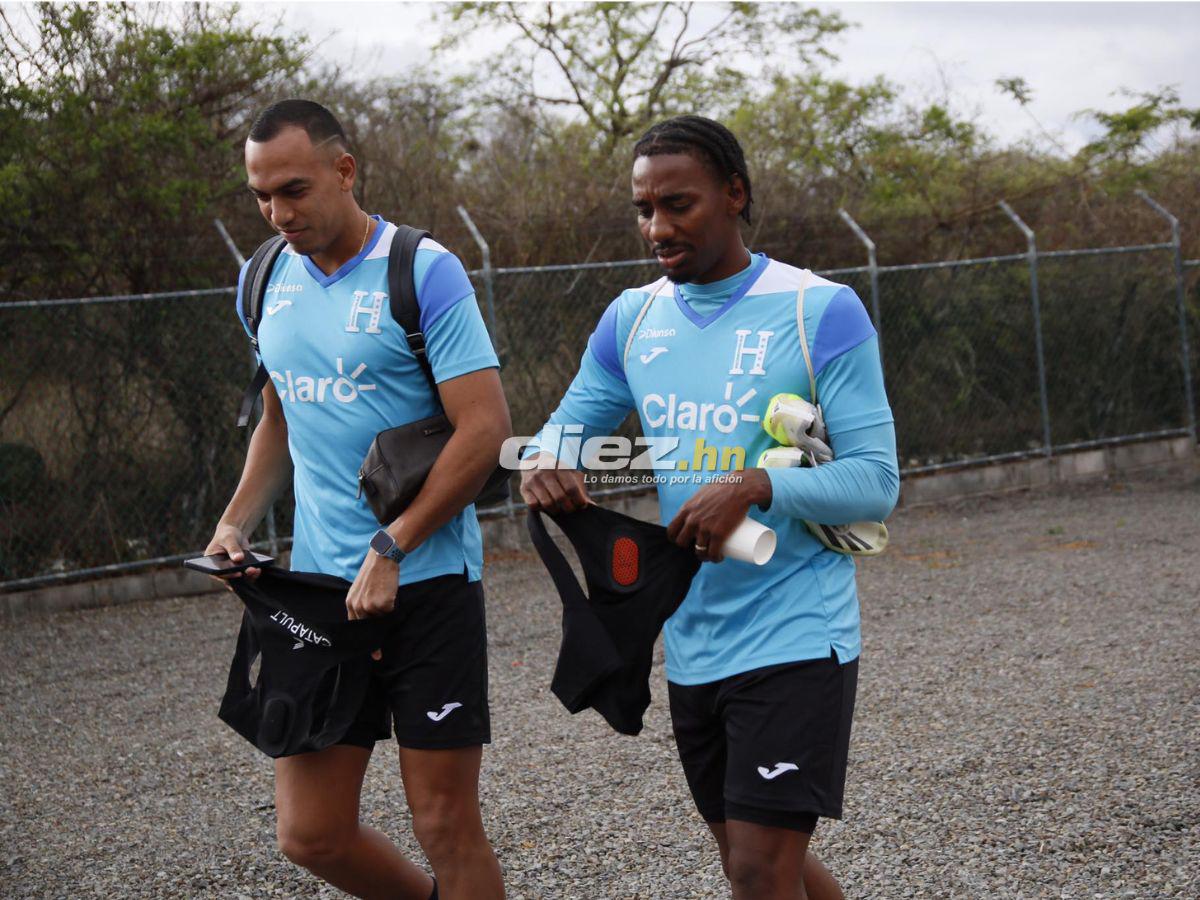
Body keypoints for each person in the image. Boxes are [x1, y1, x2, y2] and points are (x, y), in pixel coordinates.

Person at [520, 115, 899, 900]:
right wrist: (546, 460)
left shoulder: (819, 309)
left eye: (678, 205)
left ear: (735, 194)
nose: (657, 228)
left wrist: (757, 486)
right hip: (693, 637)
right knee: (756, 865)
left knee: (760, 872)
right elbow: (565, 428)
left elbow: (875, 481)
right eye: (643, 209)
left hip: (798, 632)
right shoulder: (631, 318)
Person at [205, 99, 509, 900]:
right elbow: (279, 413)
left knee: (445, 824)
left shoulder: (422, 268)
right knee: (311, 834)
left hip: (429, 584)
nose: (278, 212)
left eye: (295, 189)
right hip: (321, 593)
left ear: (345, 171)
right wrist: (236, 519)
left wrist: (395, 544)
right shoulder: (262, 277)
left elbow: (484, 430)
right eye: (262, 196)